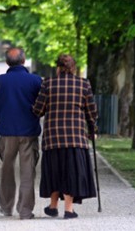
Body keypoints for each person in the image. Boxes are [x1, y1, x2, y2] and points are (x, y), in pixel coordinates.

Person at [32, 54, 98, 219]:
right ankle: (68, 210)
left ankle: (53, 206)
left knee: (54, 170)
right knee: (71, 172)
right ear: (73, 68)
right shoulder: (83, 84)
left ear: (58, 68)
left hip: (53, 137)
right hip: (76, 137)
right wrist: (92, 130)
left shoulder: (48, 84)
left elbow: (38, 111)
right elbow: (91, 112)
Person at [0, 47, 42, 220]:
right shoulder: (36, 81)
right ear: (24, 60)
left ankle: (6, 207)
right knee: (27, 172)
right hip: (29, 132)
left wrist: (3, 116)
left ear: (6, 62)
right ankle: (25, 211)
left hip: (7, 133)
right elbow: (42, 106)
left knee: (7, 170)